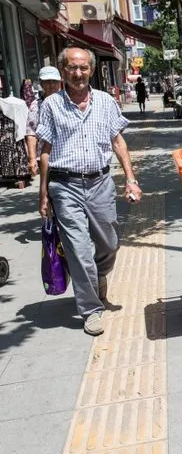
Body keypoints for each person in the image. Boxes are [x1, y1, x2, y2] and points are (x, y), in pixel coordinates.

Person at [36, 47, 143, 336]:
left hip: (100, 183)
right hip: (64, 184)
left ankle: (98, 275)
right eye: (72, 67)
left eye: (83, 68)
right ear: (63, 71)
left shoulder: (106, 102)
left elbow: (117, 141)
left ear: (91, 70)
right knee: (78, 249)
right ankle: (90, 309)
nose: (78, 73)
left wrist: (130, 179)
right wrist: (43, 193)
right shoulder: (51, 105)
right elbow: (44, 150)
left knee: (109, 242)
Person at [25, 66, 62, 177]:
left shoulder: (69, 102)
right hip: (46, 157)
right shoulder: (36, 105)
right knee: (48, 189)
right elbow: (31, 133)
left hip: (68, 155)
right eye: (47, 82)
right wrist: (32, 159)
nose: (51, 85)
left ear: (60, 82)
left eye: (54, 81)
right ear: (41, 83)